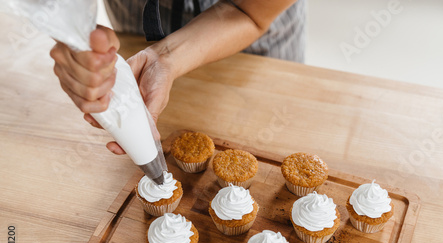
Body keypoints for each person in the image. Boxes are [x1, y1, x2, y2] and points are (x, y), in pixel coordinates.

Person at [50, 0, 305, 155]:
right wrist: (72, 37)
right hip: (138, 20)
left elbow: (248, 12)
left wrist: (167, 55)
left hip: (251, 23)